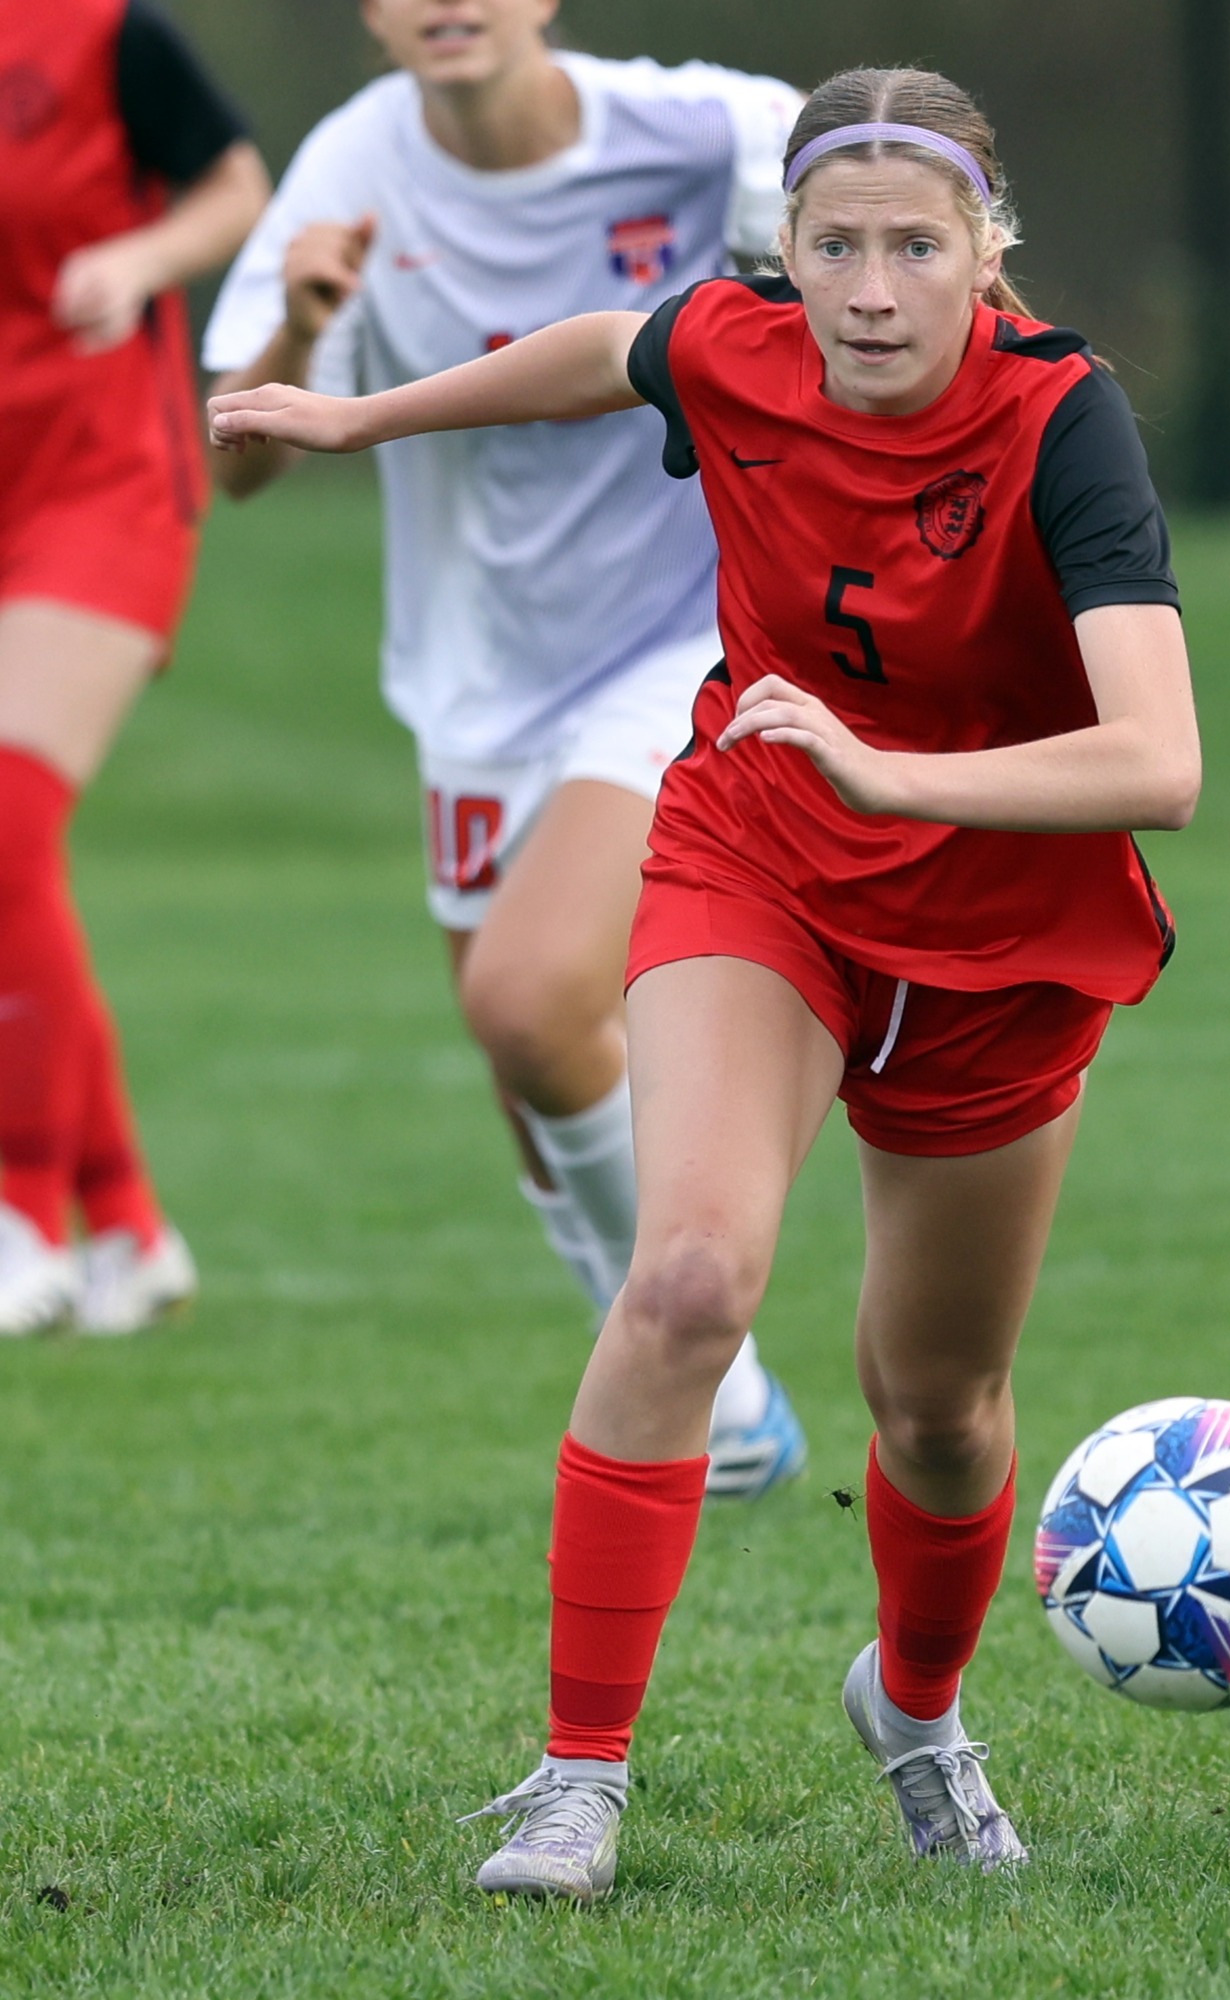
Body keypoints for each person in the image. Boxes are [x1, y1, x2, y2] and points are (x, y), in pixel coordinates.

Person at [210, 63, 1201, 1901]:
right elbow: (603, 350)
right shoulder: (736, 347)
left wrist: (895, 775)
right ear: (787, 251)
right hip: (765, 864)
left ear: (988, 252)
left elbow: (1163, 761)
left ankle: (918, 1712)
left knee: (939, 1405)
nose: (873, 291)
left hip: (999, 941)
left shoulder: (1062, 422)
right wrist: (363, 419)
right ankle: (577, 1779)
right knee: (683, 1281)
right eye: (837, 247)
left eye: (917, 248)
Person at [201, 0, 807, 1499]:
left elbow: (906, 199)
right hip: (478, 682)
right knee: (526, 1071)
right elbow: (242, 464)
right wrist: (302, 322)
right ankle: (701, 1380)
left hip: (680, 642)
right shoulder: (354, 166)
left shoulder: (698, 131)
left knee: (530, 998)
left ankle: (708, 1376)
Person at [0, 0, 269, 1336]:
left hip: (99, 475)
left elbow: (236, 184)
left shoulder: (103, 31)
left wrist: (137, 254)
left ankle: (20, 1219)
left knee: (7, 820)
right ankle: (129, 1225)